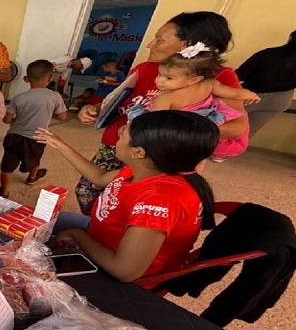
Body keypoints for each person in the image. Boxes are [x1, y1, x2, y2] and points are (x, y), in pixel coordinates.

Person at [75, 11, 249, 215]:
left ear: (189, 45)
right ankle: (97, 227)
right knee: (88, 192)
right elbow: (121, 102)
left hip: (157, 154)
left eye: (160, 40)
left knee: (133, 203)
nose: (151, 45)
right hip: (119, 142)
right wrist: (94, 109)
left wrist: (165, 127)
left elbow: (237, 128)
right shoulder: (145, 69)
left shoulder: (214, 78)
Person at [36, 111, 219, 283]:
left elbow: (124, 271)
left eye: (123, 134)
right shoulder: (149, 166)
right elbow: (99, 178)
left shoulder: (158, 200)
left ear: (138, 152)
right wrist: (60, 145)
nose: (118, 135)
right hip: (102, 233)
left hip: (114, 274)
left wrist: (77, 235)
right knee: (32, 217)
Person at [127, 43, 260, 162]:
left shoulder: (165, 98)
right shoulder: (210, 84)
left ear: (194, 80)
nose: (159, 81)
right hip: (202, 122)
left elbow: (153, 125)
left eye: (168, 78)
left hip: (175, 129)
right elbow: (234, 93)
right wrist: (251, 95)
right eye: (159, 74)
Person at [0, 60, 67, 198]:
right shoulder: (55, 96)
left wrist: (17, 120)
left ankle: (4, 191)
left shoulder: (18, 97)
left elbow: (7, 120)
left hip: (14, 136)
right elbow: (63, 117)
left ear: (26, 79)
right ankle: (32, 177)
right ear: (50, 78)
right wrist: (48, 113)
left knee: (8, 163)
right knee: (35, 158)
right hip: (37, 137)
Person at [237, 29, 296, 137]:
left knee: (218, 127)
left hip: (250, 96)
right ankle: (226, 153)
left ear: (291, 38)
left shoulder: (268, 54)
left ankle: (202, 151)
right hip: (280, 100)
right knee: (244, 134)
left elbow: (239, 75)